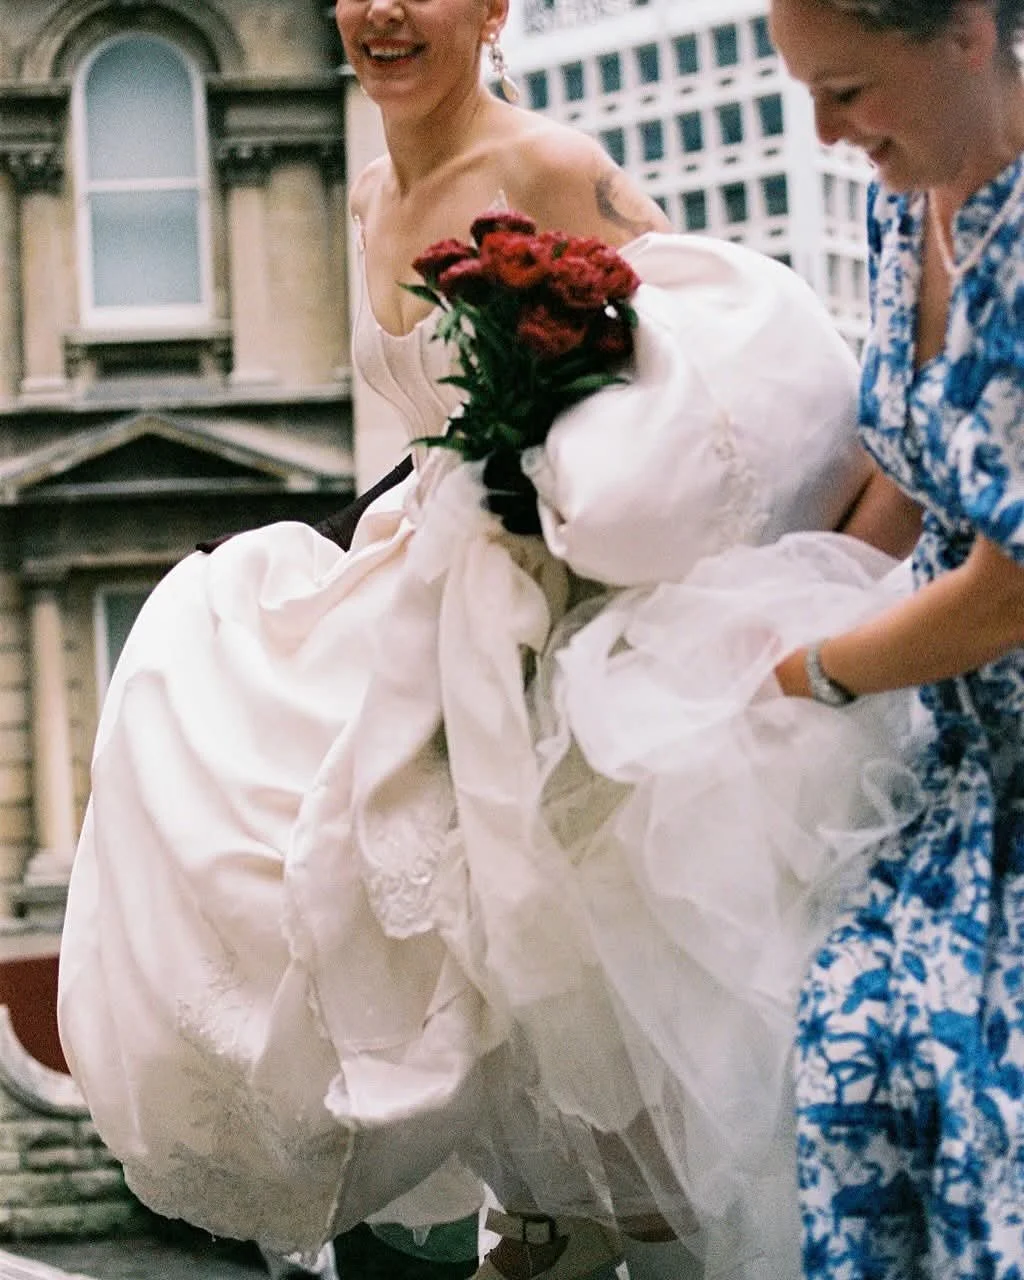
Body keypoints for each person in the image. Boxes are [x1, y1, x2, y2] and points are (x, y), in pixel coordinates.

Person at [56, 0, 917, 1277]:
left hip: (553, 609)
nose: (383, 11)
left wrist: (585, 522)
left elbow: (712, 377)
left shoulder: (552, 168)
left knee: (574, 968)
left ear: (494, 9)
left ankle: (611, 1227)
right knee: (206, 682)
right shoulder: (364, 195)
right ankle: (540, 1217)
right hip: (424, 575)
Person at [766, 0, 1024, 1274]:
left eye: (849, 89)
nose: (824, 131)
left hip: (987, 745)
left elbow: (1008, 589)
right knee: (848, 1073)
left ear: (966, 31)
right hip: (953, 768)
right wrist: (773, 604)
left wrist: (817, 668)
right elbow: (909, 469)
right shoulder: (897, 202)